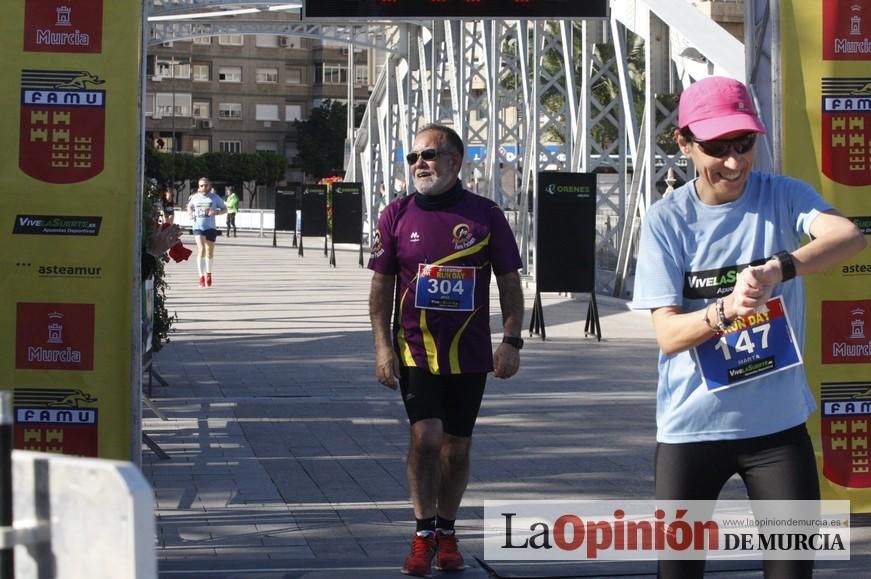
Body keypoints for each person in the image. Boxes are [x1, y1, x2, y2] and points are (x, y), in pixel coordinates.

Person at [631, 76, 866, 579]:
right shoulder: (665, 220)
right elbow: (668, 336)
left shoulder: (781, 195)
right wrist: (723, 311)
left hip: (776, 432)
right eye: (717, 148)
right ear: (684, 143)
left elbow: (848, 236)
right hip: (690, 431)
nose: (735, 163)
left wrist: (777, 268)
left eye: (745, 144)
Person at [368, 123, 525, 577]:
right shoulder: (395, 215)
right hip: (415, 351)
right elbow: (380, 290)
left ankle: (448, 531)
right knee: (426, 437)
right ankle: (422, 533)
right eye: (413, 157)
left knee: (456, 449)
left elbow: (510, 283)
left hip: (470, 354)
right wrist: (382, 348)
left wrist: (511, 340)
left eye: (429, 155)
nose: (419, 164)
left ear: (455, 161)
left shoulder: (486, 215)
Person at [186, 177, 226, 288]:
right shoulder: (195, 197)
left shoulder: (215, 197)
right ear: (199, 186)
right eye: (201, 185)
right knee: (201, 249)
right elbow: (189, 206)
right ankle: (201, 277)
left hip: (211, 228)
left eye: (206, 185)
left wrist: (216, 212)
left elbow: (225, 209)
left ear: (210, 185)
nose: (204, 187)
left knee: (209, 252)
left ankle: (208, 273)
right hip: (198, 227)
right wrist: (190, 214)